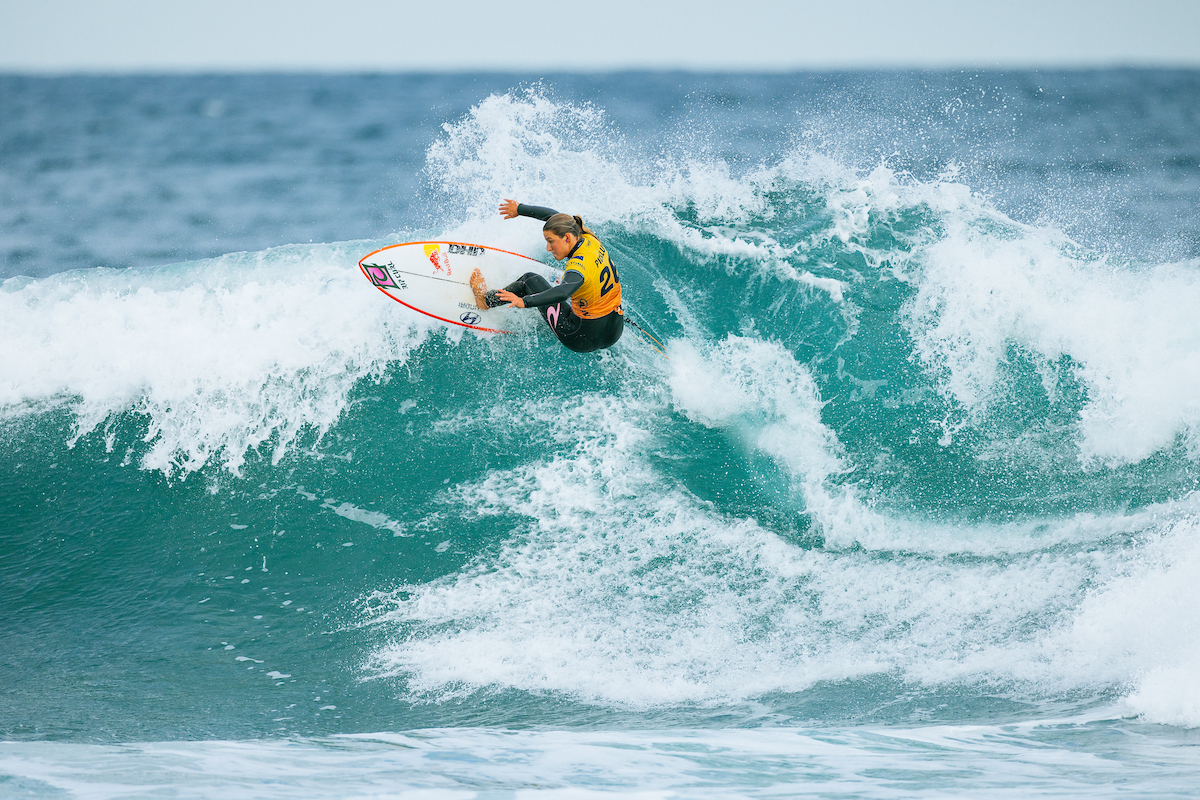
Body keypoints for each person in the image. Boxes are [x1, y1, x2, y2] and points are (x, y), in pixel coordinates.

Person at [469, 199, 623, 353]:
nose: (548, 248)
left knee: (529, 280)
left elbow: (563, 292)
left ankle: (485, 301)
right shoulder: (590, 239)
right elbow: (555, 217)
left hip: (580, 338)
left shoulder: (578, 265)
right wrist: (519, 209)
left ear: (567, 238)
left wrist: (524, 301)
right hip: (614, 331)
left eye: (551, 241)